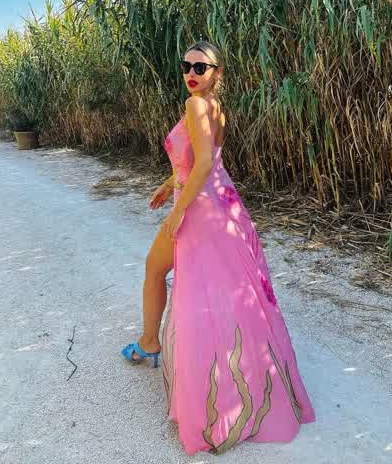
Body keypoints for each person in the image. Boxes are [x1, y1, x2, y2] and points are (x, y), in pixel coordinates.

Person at [121, 41, 316, 455]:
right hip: (221, 206)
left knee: (167, 275)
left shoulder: (196, 105)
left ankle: (153, 345)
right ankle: (207, 364)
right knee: (221, 291)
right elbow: (198, 160)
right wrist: (168, 185)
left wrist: (178, 212)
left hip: (199, 210)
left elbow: (206, 163)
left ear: (217, 72)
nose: (191, 73)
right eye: (186, 66)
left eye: (201, 67)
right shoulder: (213, 106)